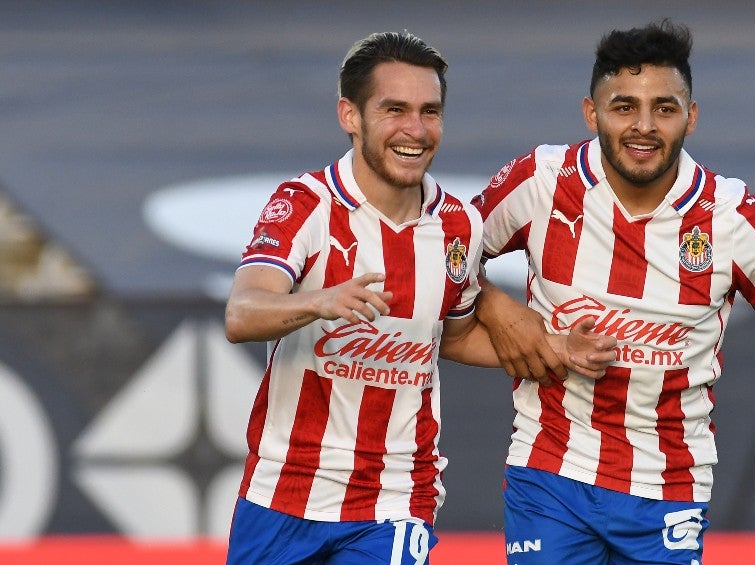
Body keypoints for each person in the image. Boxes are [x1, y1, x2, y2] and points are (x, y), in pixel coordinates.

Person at [472, 19, 755, 565]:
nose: (644, 126)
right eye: (624, 106)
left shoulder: (731, 219)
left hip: (669, 486)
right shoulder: (542, 183)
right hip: (550, 471)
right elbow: (439, 259)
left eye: (665, 107)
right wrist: (499, 309)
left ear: (691, 116)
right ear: (591, 113)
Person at [223, 30, 615, 565]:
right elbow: (242, 313)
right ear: (350, 115)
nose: (415, 129)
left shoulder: (458, 224)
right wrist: (317, 301)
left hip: (394, 498)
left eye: (430, 112)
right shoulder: (306, 206)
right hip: (282, 491)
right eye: (394, 109)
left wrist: (556, 349)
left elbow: (453, 336)